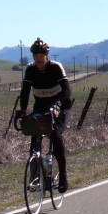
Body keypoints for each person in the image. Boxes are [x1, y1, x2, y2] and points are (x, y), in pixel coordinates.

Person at [17, 38, 72, 192]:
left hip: (61, 105)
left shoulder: (56, 67)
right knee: (35, 137)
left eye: (42, 56)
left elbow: (67, 91)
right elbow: (25, 91)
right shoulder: (30, 69)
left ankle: (63, 175)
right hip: (41, 106)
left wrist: (58, 104)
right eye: (36, 57)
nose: (39, 59)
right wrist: (22, 110)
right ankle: (34, 176)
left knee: (55, 135)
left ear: (47, 56)